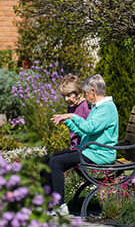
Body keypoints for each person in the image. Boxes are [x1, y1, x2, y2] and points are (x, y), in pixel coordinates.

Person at [43, 74, 119, 206]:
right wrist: (67, 121)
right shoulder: (99, 107)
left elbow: (89, 128)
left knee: (56, 163)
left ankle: (59, 205)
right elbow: (84, 131)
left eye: (85, 93)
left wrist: (72, 116)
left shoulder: (106, 108)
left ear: (93, 92)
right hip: (92, 150)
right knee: (50, 160)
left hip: (100, 153)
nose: (84, 96)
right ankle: (49, 202)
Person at [57, 76, 91, 150]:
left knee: (54, 161)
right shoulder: (70, 107)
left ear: (78, 94)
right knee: (46, 158)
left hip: (84, 149)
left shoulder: (86, 107)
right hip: (74, 147)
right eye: (64, 96)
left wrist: (68, 122)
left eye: (69, 95)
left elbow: (87, 134)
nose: (66, 99)